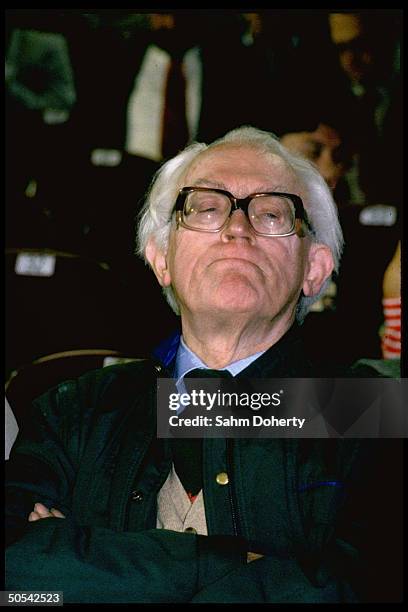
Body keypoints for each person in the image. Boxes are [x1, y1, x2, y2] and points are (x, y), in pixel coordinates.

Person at [5, 127, 401, 602]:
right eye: (206, 209)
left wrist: (97, 572)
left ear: (313, 269)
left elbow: (364, 588)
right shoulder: (76, 409)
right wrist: (228, 563)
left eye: (271, 212)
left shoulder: (369, 411)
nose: (237, 228)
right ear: (161, 259)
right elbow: (15, 578)